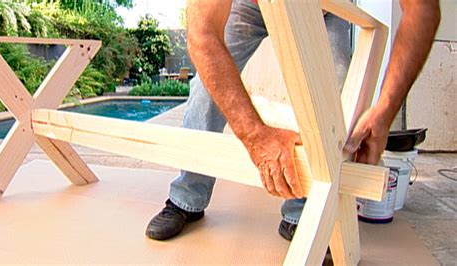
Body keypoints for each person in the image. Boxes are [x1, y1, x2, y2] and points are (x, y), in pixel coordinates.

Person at [145, 0, 440, 241]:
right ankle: (187, 197)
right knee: (206, 90)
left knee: (334, 100)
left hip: (325, 8)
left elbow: (422, 8)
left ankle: (303, 212)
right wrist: (255, 136)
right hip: (249, 5)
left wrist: (386, 110)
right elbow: (202, 33)